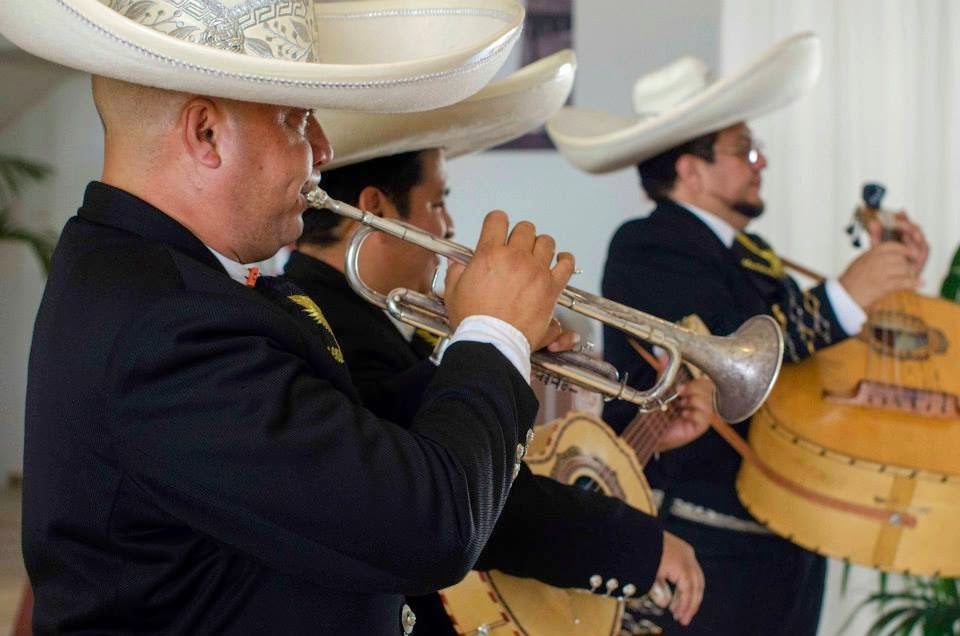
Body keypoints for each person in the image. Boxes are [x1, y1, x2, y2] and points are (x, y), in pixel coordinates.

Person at [6, 2, 591, 633]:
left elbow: (343, 447)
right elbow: (428, 531)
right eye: (295, 120)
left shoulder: (153, 275)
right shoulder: (169, 324)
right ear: (206, 134)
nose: (323, 148)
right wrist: (494, 337)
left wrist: (493, 343)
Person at [283, 51, 712, 634]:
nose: (448, 228)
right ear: (377, 209)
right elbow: (483, 503)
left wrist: (643, 428)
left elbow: (510, 462)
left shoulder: (368, 318)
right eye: (437, 201)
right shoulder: (330, 326)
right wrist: (642, 547)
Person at [547, 33, 929, 635]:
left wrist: (883, 283)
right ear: (691, 171)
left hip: (784, 539)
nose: (761, 163)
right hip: (709, 545)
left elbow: (802, 364)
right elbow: (726, 363)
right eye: (745, 149)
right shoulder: (649, 243)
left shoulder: (752, 255)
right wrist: (842, 298)